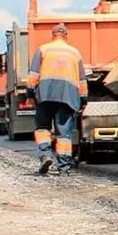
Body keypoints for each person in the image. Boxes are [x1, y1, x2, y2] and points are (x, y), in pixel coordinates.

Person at [27, 23, 87, 175]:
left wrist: (29, 94)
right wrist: (83, 99)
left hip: (45, 95)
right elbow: (82, 80)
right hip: (67, 96)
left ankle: (46, 155)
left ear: (53, 35)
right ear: (66, 35)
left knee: (42, 128)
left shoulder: (43, 49)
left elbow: (33, 75)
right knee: (64, 134)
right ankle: (64, 168)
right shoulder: (75, 53)